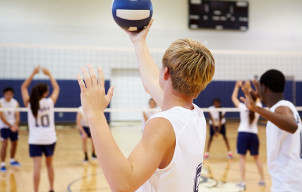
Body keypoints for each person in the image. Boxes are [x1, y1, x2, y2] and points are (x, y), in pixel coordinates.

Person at [77, 20, 215, 192]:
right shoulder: (195, 115)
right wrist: (139, 41)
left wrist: (95, 114)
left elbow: (123, 184)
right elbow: (151, 82)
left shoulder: (163, 124)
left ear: (165, 73)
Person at [240, 69, 302, 192]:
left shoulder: (281, 107)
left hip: (289, 181)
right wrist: (259, 96)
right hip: (295, 177)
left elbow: (292, 126)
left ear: (264, 87)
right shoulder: (284, 106)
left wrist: (255, 107)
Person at [21, 66, 60, 192]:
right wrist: (49, 74)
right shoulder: (49, 102)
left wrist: (33, 73)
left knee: (37, 167)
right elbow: (57, 88)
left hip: (35, 140)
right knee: (49, 165)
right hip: (49, 138)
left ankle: (36, 190)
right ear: (45, 93)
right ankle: (51, 188)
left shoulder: (30, 103)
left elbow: (23, 87)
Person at [231, 81, 265, 188]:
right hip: (253, 134)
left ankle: (243, 182)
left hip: (243, 134)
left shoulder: (243, 107)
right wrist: (250, 87)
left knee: (242, 158)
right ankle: (263, 180)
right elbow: (257, 98)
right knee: (257, 158)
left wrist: (237, 87)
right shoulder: (258, 107)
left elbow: (233, 98)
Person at [0, 87, 21, 172]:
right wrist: (10, 126)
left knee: (15, 143)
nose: (8, 96)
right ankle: (3, 163)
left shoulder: (15, 102)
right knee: (4, 144)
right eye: (7, 94)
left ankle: (12, 160)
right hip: (4, 126)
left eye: (10, 94)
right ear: (4, 94)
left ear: (12, 94)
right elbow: (1, 116)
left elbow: (18, 116)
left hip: (13, 126)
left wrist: (15, 125)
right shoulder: (1, 102)